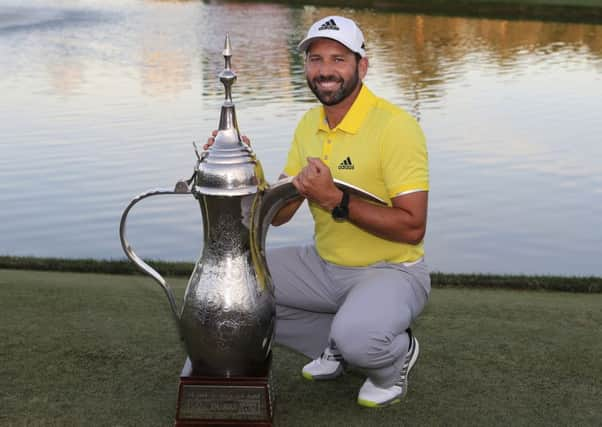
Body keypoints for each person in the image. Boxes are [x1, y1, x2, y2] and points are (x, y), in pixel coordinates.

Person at [209, 15, 430, 408]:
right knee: (240, 287)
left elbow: (413, 228)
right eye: (315, 59)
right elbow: (279, 214)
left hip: (391, 269)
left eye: (338, 59)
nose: (325, 71)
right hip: (324, 264)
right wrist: (245, 162)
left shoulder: (396, 127)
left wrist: (336, 200)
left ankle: (395, 359)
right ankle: (336, 344)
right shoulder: (309, 123)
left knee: (361, 337)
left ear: (362, 65)